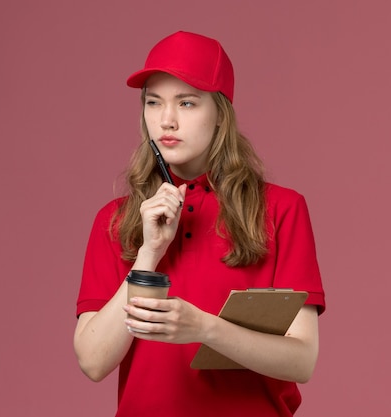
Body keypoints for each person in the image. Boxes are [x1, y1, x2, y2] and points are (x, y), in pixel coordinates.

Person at [74, 31, 326, 416]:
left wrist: (204, 329)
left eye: (187, 103)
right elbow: (93, 362)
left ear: (220, 113)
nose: (167, 120)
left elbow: (301, 360)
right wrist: (149, 253)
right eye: (153, 103)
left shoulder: (281, 209)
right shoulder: (116, 220)